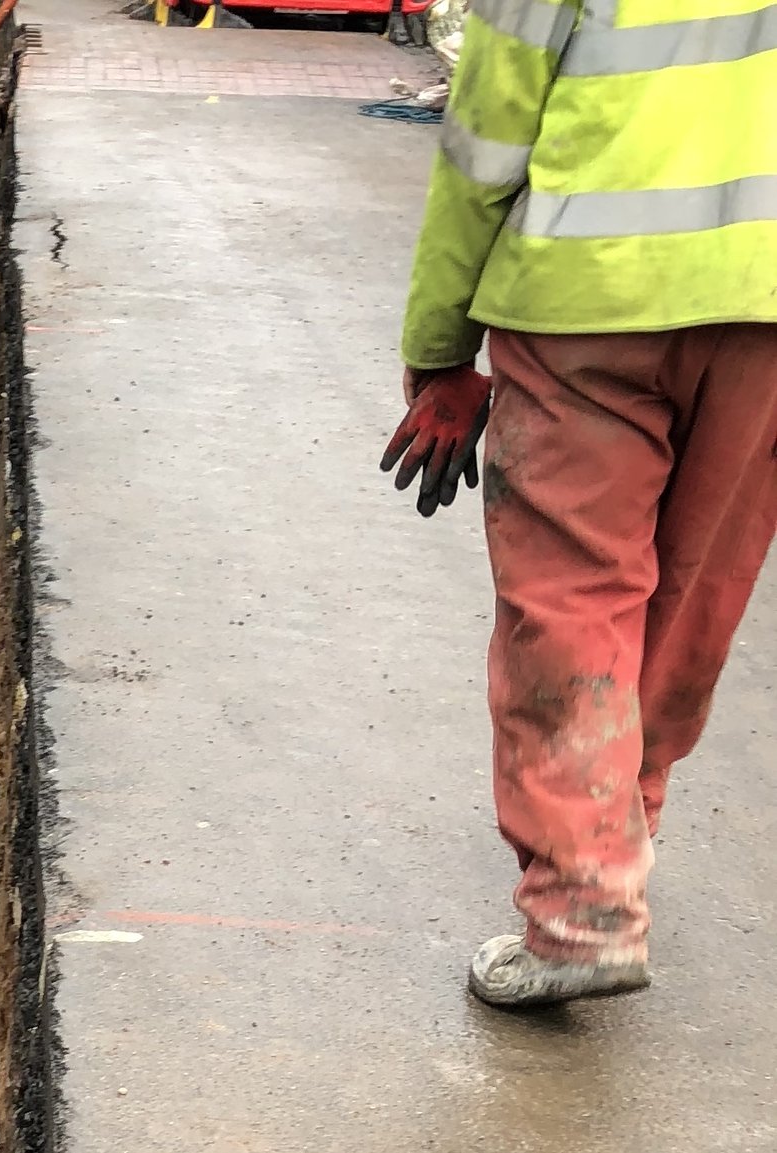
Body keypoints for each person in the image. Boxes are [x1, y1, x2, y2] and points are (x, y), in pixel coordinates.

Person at [382, 0, 777, 1008]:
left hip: (584, 304)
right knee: (694, 592)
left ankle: (583, 908)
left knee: (570, 593)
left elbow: (484, 148)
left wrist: (439, 348)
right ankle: (617, 835)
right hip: (765, 304)